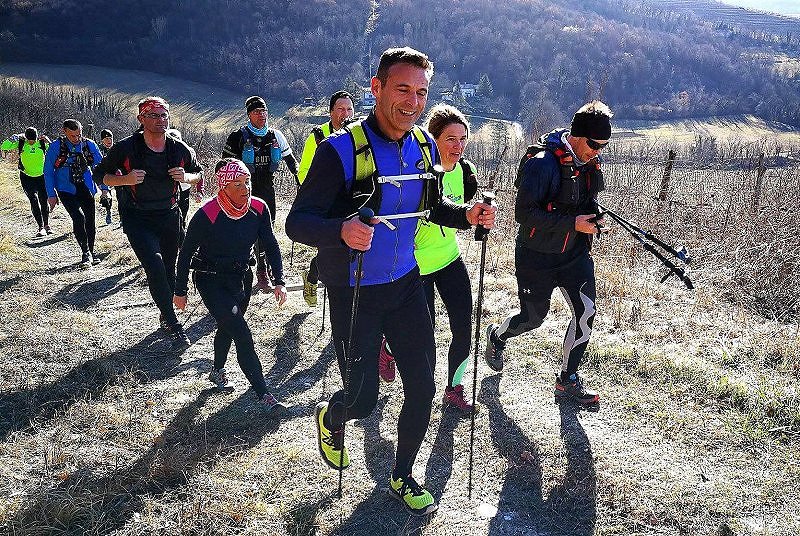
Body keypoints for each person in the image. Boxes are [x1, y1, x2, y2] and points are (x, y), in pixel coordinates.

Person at [286, 47, 495, 516]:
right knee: (363, 400)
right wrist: (340, 230)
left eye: (421, 92)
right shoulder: (338, 151)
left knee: (422, 386)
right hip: (353, 291)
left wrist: (470, 215)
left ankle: (402, 475)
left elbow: (434, 209)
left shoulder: (424, 146)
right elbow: (297, 223)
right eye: (402, 89)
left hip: (405, 284)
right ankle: (334, 414)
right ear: (376, 88)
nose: (413, 101)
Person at [484, 100, 612, 406]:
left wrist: (592, 220)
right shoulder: (541, 163)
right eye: (595, 144)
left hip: (574, 256)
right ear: (578, 136)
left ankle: (567, 380)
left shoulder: (588, 164)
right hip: (536, 257)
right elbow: (524, 214)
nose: (599, 151)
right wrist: (573, 223)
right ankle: (497, 337)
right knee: (533, 318)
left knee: (586, 313)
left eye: (604, 146)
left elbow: (584, 204)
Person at [379, 104, 479, 415]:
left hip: (450, 259)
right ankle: (389, 347)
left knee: (464, 327)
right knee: (424, 336)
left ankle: (454, 388)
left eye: (463, 139)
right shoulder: (416, 172)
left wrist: (479, 217)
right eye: (450, 139)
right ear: (431, 140)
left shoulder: (465, 172)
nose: (457, 146)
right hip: (415, 267)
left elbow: (462, 211)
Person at [174, 158, 288, 413]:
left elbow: (270, 245)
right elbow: (185, 253)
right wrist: (180, 291)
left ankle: (216, 370)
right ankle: (264, 394)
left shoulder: (258, 208)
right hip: (209, 279)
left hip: (241, 277)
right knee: (242, 332)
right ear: (223, 186)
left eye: (246, 182)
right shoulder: (208, 213)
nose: (245, 188)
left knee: (228, 326)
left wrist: (279, 280)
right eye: (237, 184)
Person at [95, 96, 203, 350]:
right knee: (153, 265)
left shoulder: (178, 148)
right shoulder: (125, 148)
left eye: (164, 115)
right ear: (141, 119)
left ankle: (165, 314)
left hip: (169, 215)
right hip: (137, 217)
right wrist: (126, 180)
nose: (160, 120)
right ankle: (174, 323)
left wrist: (186, 176)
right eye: (153, 115)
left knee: (168, 269)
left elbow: (199, 173)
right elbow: (99, 174)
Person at [222, 96, 299, 291]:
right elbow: (223, 167)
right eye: (257, 112)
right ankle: (244, 268)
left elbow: (292, 163)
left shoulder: (276, 136)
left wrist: (301, 180)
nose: (261, 115)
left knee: (267, 232)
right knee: (244, 231)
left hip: (267, 191)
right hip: (243, 193)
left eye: (264, 111)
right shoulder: (237, 137)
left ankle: (265, 270)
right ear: (249, 114)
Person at [297, 90, 355, 306]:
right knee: (330, 249)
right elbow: (304, 172)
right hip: (326, 205)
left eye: (349, 109)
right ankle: (312, 278)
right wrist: (322, 192)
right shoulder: (318, 136)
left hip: (352, 203)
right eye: (340, 109)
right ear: (331, 112)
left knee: (346, 249)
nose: (345, 114)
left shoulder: (357, 134)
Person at [44, 119, 108, 267]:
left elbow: (101, 168)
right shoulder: (55, 147)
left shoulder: (89, 145)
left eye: (79, 134)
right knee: (79, 218)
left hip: (85, 186)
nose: (77, 138)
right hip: (65, 188)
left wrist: (105, 189)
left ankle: (91, 252)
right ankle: (85, 253)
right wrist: (51, 194)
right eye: (73, 136)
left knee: (90, 220)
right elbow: (48, 172)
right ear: (64, 131)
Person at [17, 127, 52, 237]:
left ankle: (47, 225)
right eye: (29, 140)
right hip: (26, 177)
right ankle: (40, 227)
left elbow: (55, 150)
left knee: (43, 200)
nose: (31, 142)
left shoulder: (41, 143)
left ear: (37, 137)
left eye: (33, 140)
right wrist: (14, 138)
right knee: (33, 200)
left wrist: (48, 141)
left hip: (41, 177)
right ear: (26, 138)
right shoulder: (22, 143)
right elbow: (3, 146)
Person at [166, 128, 196, 226]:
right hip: (167, 191)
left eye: (176, 139)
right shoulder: (160, 152)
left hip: (184, 187)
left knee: (183, 211)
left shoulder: (188, 151)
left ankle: (182, 229)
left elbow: (198, 172)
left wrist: (200, 189)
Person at [98, 129, 114, 224]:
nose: (109, 141)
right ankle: (108, 211)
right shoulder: (98, 150)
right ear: (102, 140)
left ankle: (122, 217)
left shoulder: (117, 148)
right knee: (108, 195)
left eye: (110, 138)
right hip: (105, 177)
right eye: (106, 138)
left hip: (118, 175)